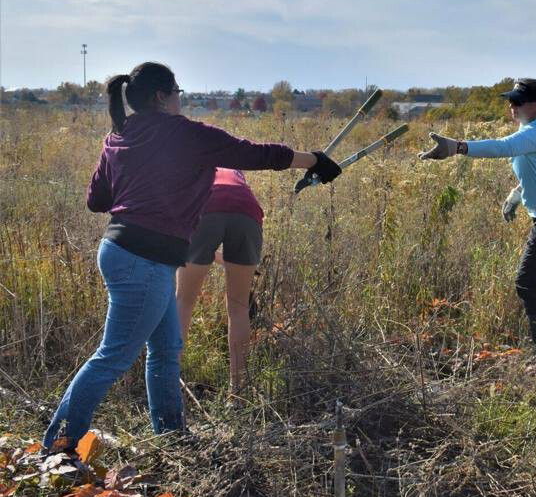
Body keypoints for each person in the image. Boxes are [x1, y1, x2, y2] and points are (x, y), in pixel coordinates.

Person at [43, 62, 341, 454]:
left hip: (125, 252)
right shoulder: (184, 133)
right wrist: (314, 160)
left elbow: (96, 201)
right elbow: (250, 154)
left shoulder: (118, 137)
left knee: (166, 350)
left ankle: (173, 437)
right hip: (142, 260)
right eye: (178, 91)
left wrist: (143, 180)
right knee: (113, 357)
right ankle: (58, 448)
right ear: (161, 97)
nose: (181, 98)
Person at [418, 78, 536, 347]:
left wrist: (457, 147)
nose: (511, 105)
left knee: (527, 283)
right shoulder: (533, 128)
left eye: (518, 100)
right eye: (510, 100)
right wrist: (517, 195)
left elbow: (503, 146)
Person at [176, 168, 265, 397]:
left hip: (205, 208)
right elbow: (228, 211)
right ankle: (239, 393)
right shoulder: (234, 168)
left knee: (183, 303)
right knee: (238, 308)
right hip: (248, 213)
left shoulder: (188, 161)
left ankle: (168, 385)